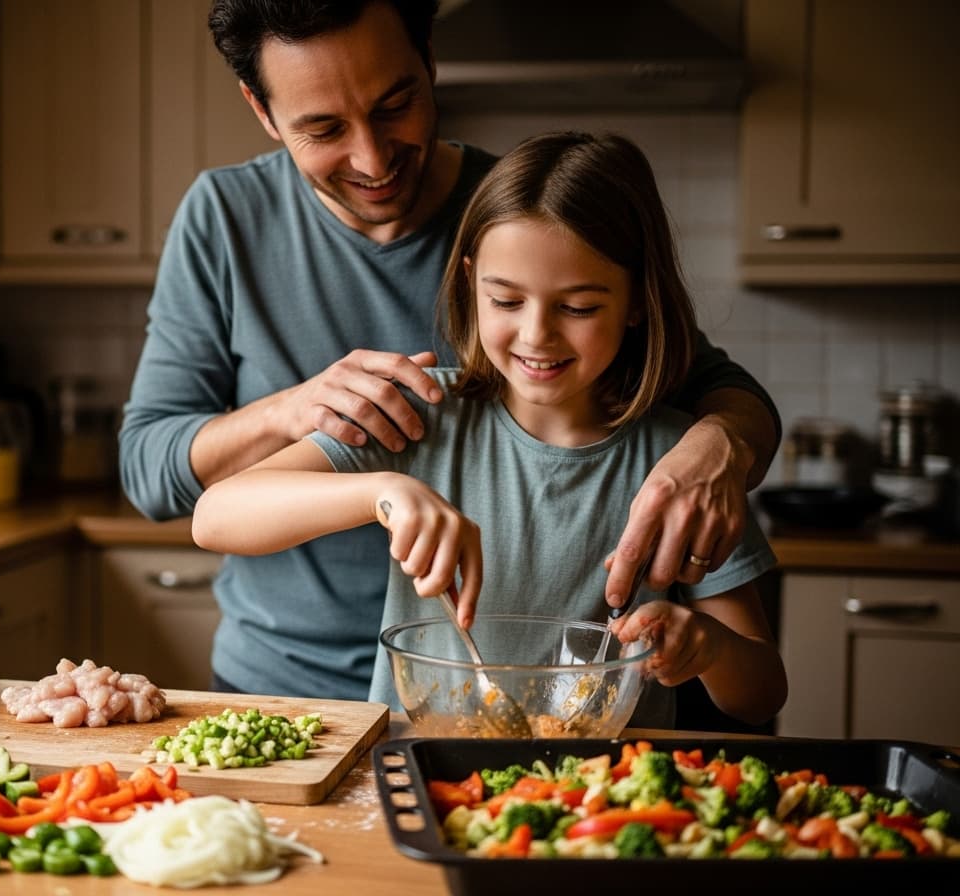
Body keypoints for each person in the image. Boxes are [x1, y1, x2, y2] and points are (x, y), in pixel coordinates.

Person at [119, 0, 781, 702]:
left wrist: (723, 446)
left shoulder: (525, 212)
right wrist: (297, 414)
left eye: (395, 104)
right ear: (262, 109)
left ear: (429, 59)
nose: (372, 159)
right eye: (323, 128)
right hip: (285, 681)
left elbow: (712, 385)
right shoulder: (225, 217)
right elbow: (159, 475)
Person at [192, 131, 788, 727]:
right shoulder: (423, 414)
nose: (537, 335)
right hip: (417, 774)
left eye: (578, 307)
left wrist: (706, 645)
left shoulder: (683, 467)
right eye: (505, 301)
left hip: (598, 796)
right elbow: (216, 515)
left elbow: (762, 694)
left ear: (637, 300)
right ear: (471, 282)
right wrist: (384, 493)